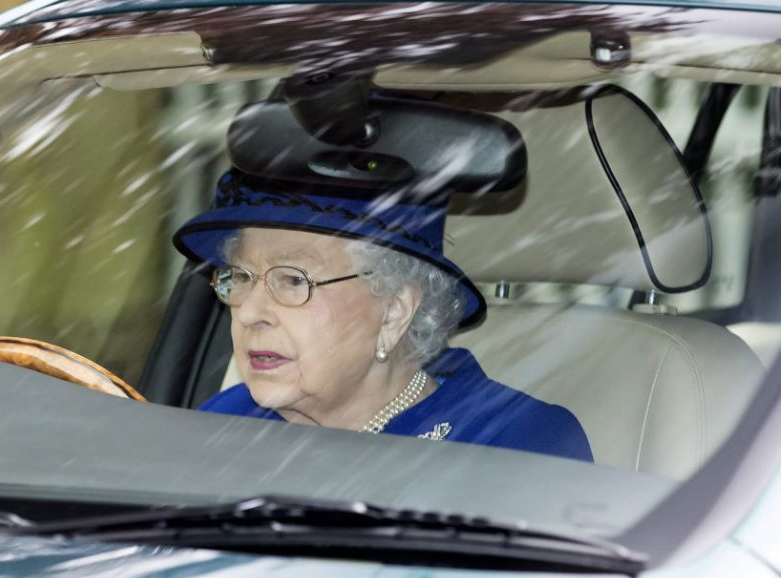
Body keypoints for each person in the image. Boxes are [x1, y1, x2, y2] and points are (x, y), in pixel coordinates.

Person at [173, 169, 593, 462]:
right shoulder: (223, 421)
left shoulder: (519, 444)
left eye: (294, 280)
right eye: (241, 277)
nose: (249, 312)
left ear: (394, 311)